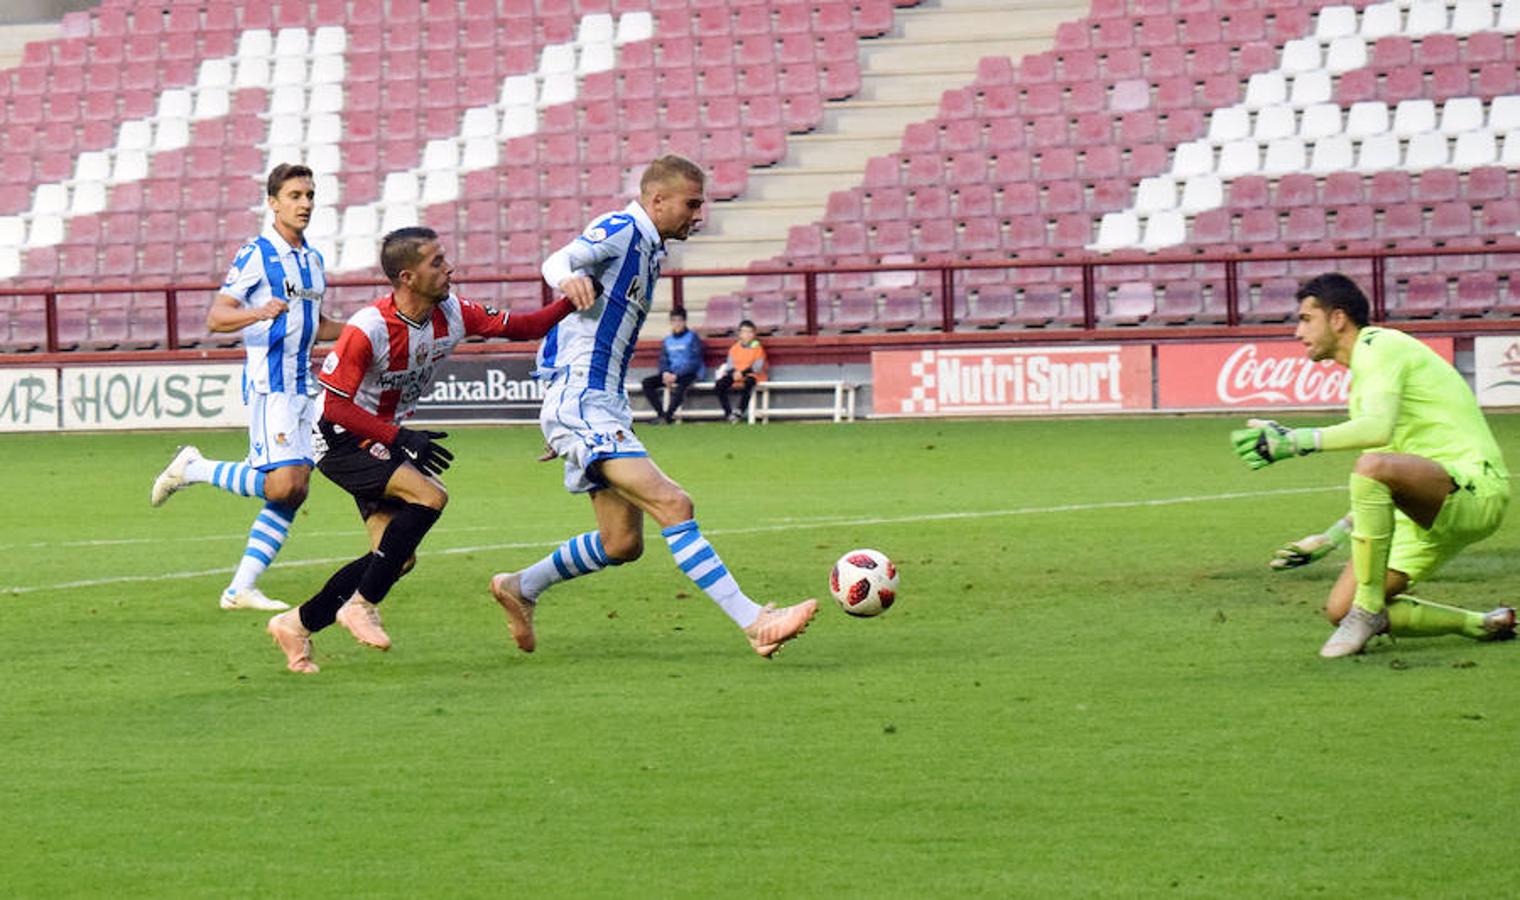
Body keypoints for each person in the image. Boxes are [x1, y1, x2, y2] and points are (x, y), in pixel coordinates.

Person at [487, 154, 818, 659]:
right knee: (674, 504)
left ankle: (519, 586)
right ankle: (755, 622)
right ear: (657, 200)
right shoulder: (622, 228)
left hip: (597, 403)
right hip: (584, 399)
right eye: (691, 203)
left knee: (622, 543)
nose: (698, 214)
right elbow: (559, 260)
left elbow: (580, 329)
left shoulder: (651, 249)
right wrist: (565, 280)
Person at [265, 227, 585, 673]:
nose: (448, 267)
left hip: (379, 435)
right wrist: (400, 438)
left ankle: (295, 624)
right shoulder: (369, 328)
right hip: (336, 435)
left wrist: (578, 295)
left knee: (396, 558)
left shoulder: (453, 312)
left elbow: (526, 327)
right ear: (407, 277)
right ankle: (361, 605)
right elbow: (337, 406)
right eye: (436, 262)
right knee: (431, 496)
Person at [1230, 273, 1515, 658]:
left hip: (1473, 487)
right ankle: (1480, 623)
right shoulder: (1365, 379)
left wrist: (1295, 441)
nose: (1298, 332)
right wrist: (1329, 538)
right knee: (1338, 610)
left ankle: (1367, 611)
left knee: (1371, 465)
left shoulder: (1380, 345)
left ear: (1337, 319)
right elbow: (1383, 487)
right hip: (1423, 513)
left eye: (1305, 319)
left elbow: (1377, 439)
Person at [150, 164, 345, 611]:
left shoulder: (312, 261)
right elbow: (217, 317)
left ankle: (240, 589)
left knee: (295, 489)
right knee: (281, 485)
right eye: (295, 195)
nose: (305, 204)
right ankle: (193, 467)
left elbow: (316, 324)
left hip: (304, 388)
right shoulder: (257, 253)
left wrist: (363, 333)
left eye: (310, 195)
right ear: (273, 202)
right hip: (270, 385)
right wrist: (258, 314)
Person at [639, 308, 704, 423]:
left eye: (679, 320)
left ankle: (668, 416)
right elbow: (663, 360)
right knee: (647, 383)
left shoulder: (693, 337)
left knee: (681, 387)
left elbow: (695, 361)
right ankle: (661, 414)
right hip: (671, 373)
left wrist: (676, 375)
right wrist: (665, 373)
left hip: (689, 373)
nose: (677, 324)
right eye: (674, 321)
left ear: (684, 322)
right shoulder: (667, 340)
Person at [713, 319, 767, 423]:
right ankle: (728, 413)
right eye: (744, 332)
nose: (747, 335)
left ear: (754, 334)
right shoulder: (734, 348)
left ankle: (740, 410)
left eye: (750, 332)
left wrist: (741, 373)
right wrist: (734, 373)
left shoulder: (758, 348)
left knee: (749, 383)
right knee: (719, 385)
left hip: (752, 375)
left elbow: (757, 367)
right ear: (739, 333)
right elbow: (729, 365)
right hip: (736, 374)